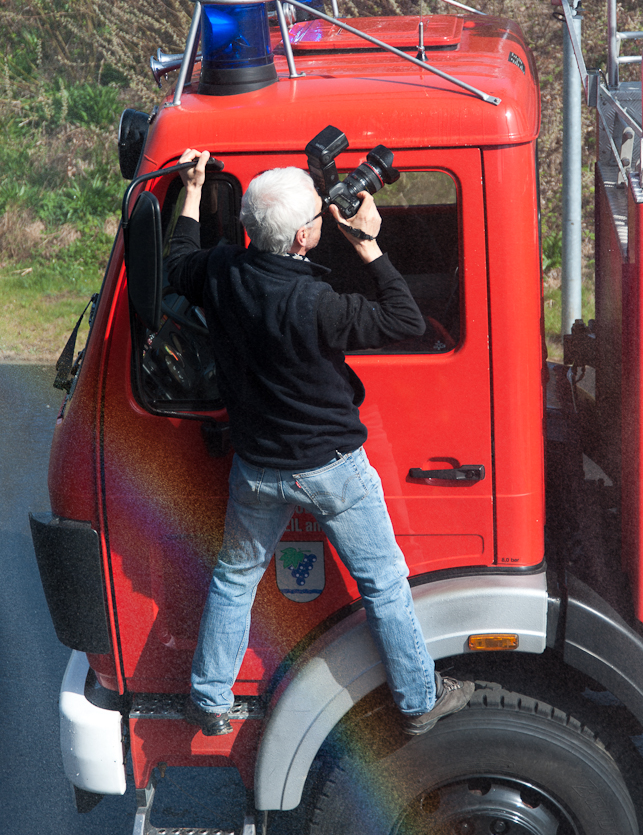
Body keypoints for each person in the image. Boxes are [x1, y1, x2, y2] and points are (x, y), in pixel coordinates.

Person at [166, 147, 474, 739]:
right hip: (332, 469)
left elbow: (180, 256)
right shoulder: (318, 303)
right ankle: (417, 700)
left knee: (235, 579)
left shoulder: (224, 272)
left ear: (251, 231)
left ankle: (208, 699)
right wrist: (368, 245)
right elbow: (407, 322)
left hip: (257, 466)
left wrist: (194, 188)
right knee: (383, 582)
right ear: (307, 237)